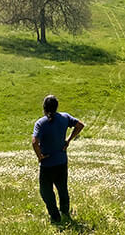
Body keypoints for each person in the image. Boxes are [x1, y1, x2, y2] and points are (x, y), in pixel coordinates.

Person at [31, 94, 85, 223]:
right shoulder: (65, 117)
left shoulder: (41, 123)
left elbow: (34, 142)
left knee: (46, 191)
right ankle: (65, 212)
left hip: (47, 163)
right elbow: (80, 125)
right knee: (62, 188)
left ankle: (55, 216)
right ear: (56, 107)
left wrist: (40, 156)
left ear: (44, 108)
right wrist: (68, 140)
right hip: (61, 161)